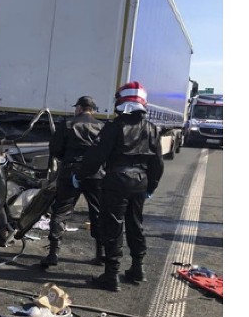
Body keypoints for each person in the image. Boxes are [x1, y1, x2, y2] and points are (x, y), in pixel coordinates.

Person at [74, 82, 164, 291]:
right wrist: (152, 185)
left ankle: (111, 275)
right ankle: (137, 268)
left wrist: (80, 174)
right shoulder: (152, 129)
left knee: (113, 227)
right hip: (140, 182)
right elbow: (157, 162)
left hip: (116, 180)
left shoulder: (114, 128)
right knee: (136, 224)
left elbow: (96, 156)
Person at [41, 96, 104, 269]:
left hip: (70, 170)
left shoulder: (68, 124)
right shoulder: (101, 127)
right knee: (98, 212)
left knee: (60, 211)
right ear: (93, 110)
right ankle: (101, 254)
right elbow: (105, 152)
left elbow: (55, 149)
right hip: (95, 173)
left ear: (80, 108)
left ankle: (53, 253)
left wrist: (68, 160)